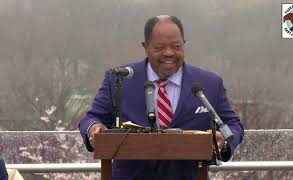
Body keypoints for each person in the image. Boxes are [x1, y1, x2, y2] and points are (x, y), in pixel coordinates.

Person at [79, 15, 244, 179]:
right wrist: (94, 127)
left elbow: (232, 125)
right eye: (160, 47)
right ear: (145, 46)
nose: (169, 53)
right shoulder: (119, 79)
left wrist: (223, 139)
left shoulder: (209, 84)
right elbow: (92, 118)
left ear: (184, 44)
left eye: (176, 46)